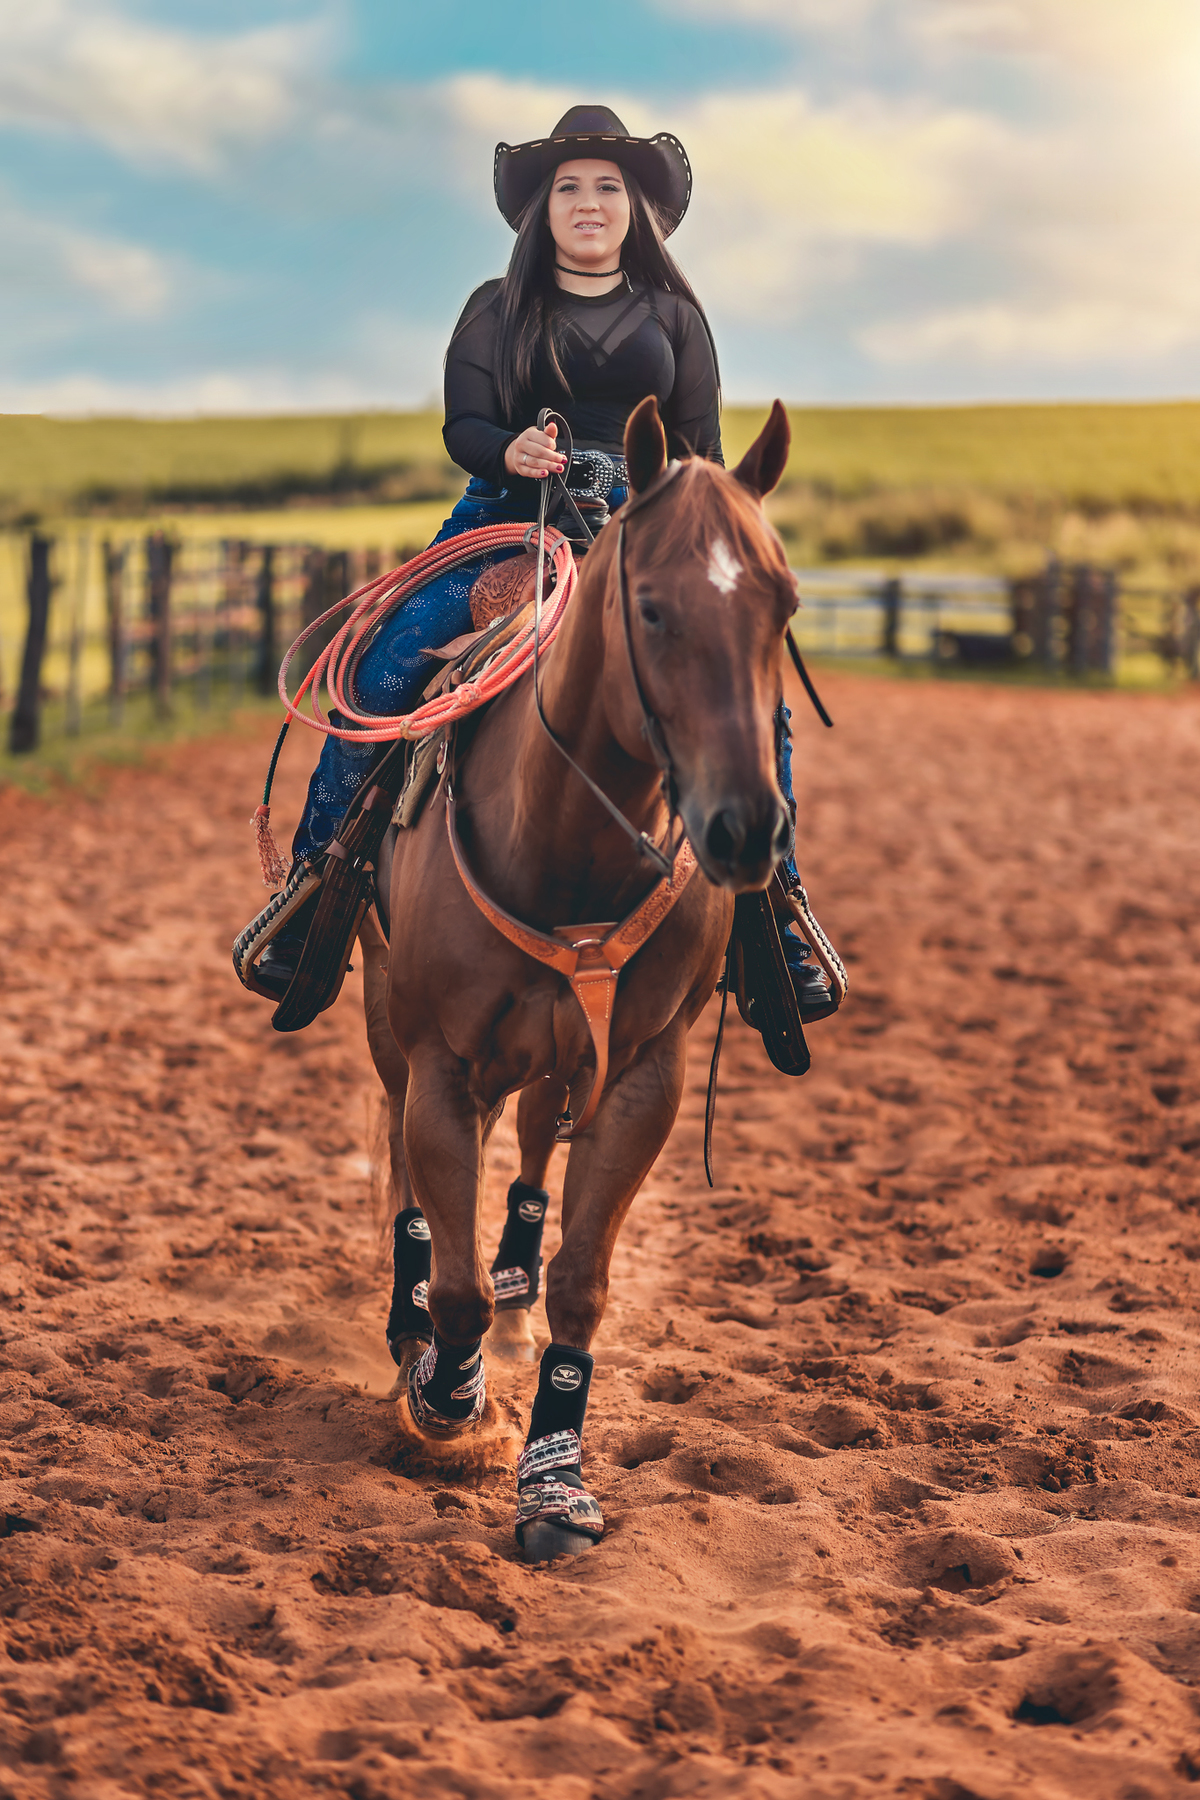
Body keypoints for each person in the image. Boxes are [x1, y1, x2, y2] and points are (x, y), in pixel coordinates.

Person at [248, 103, 832, 1024]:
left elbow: (703, 452)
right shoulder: (495, 307)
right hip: (504, 524)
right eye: (569, 188)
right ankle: (319, 887)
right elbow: (463, 425)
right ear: (541, 210)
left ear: (638, 207)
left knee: (752, 698)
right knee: (385, 666)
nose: (588, 203)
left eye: (608, 187)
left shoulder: (676, 318)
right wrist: (508, 451)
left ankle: (775, 918)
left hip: (636, 538)